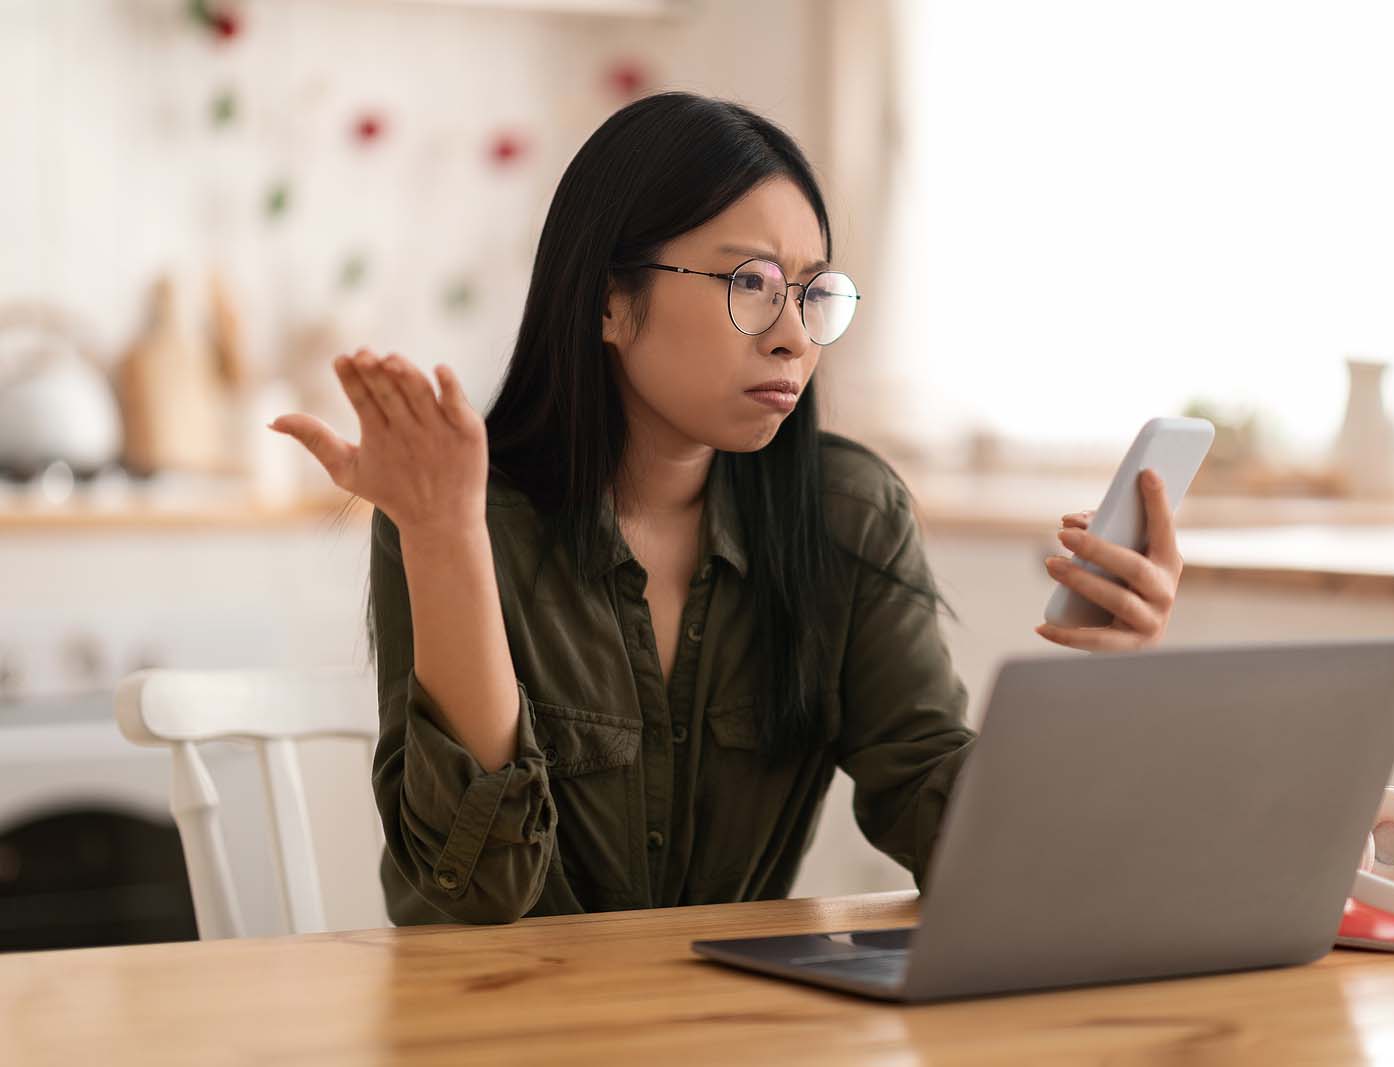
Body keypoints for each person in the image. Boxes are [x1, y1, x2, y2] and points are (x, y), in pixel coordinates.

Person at [268, 91, 1184, 925]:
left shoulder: (846, 513)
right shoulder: (462, 515)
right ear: (609, 303)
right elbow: (479, 893)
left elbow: (957, 834)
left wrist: (1100, 687)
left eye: (812, 292)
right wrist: (443, 537)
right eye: (749, 283)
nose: (792, 335)